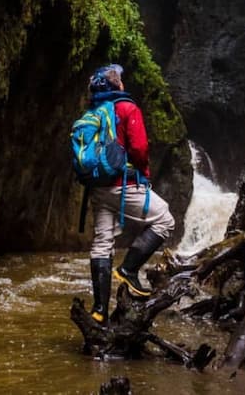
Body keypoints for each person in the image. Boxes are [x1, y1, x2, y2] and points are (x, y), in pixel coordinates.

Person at [87, 64, 175, 325]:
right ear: (118, 85)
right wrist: (143, 173)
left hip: (98, 187)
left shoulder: (93, 112)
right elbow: (138, 148)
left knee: (102, 243)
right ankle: (128, 269)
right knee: (165, 220)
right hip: (122, 184)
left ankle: (99, 310)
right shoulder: (127, 108)